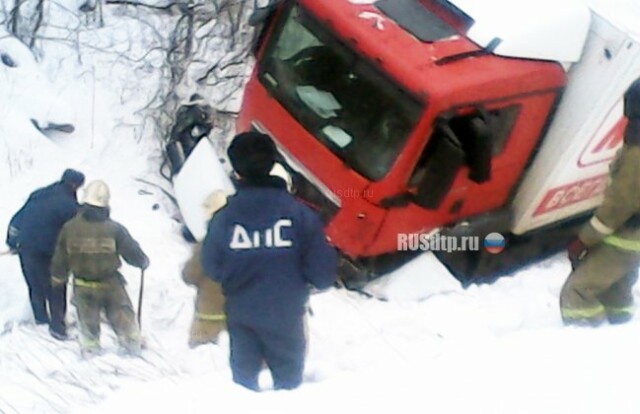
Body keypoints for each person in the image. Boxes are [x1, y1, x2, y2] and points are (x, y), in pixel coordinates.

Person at [201, 131, 337, 391]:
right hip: (287, 317)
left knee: (243, 390)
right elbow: (323, 274)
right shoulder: (300, 215)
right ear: (274, 162)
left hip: (242, 316)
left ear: (237, 171)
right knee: (288, 390)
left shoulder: (223, 219)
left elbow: (212, 267)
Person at [560, 78, 640, 326]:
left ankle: (590, 344)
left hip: (626, 237)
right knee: (616, 291)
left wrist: (585, 239)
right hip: (633, 242)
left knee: (576, 294)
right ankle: (620, 324)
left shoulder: (637, 153)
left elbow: (619, 204)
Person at [50, 180, 150, 357]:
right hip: (111, 284)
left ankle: (91, 352)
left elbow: (61, 257)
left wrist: (58, 278)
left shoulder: (70, 228)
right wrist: (142, 261)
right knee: (123, 317)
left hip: (83, 286)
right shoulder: (114, 229)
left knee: (88, 324)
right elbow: (131, 251)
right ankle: (132, 349)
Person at [5, 168, 85, 340]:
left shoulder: (38, 194)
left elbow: (16, 220)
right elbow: (78, 232)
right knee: (56, 286)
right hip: (49, 252)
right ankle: (57, 328)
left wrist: (12, 242)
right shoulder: (69, 205)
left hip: (26, 248)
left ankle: (40, 322)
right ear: (74, 185)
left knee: (35, 287)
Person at [182, 190, 229, 348]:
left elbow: (190, 275)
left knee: (201, 364)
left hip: (208, 317)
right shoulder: (242, 241)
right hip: (238, 316)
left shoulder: (205, 244)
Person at [166, 93, 214, 175]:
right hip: (184, 138)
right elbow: (178, 131)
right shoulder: (193, 111)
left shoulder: (189, 111)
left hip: (186, 136)